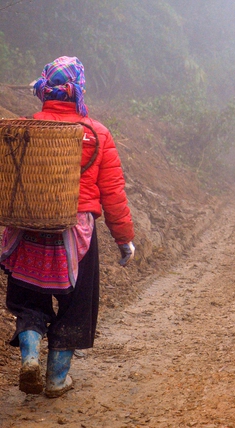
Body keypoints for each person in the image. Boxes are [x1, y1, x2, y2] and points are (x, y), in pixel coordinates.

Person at [1, 56, 135, 398]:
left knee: (29, 299)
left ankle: (30, 357)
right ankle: (57, 378)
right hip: (76, 234)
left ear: (45, 89)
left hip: (28, 226)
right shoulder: (97, 133)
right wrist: (124, 240)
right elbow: (113, 193)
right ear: (79, 90)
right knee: (77, 305)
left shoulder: (26, 128)